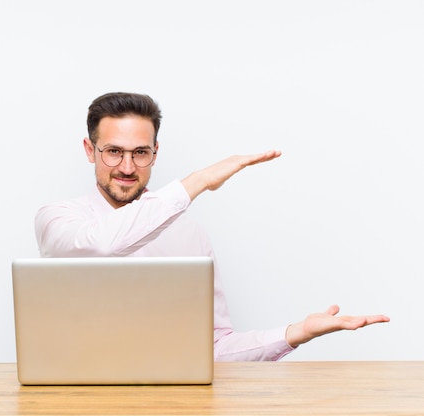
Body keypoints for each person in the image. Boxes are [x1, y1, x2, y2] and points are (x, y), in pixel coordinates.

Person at [34, 92, 390, 361]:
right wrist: (199, 181)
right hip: (76, 398)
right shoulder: (58, 219)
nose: (127, 167)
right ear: (89, 149)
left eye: (140, 153)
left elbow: (215, 349)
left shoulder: (188, 234)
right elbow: (103, 246)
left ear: (155, 153)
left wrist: (294, 333)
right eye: (113, 151)